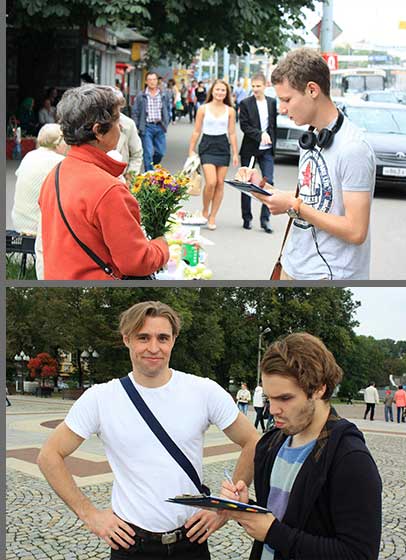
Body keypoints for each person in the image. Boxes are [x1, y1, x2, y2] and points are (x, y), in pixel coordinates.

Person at [36, 301, 261, 559]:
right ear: (127, 339)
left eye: (162, 338)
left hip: (191, 542)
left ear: (174, 340)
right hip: (131, 545)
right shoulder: (101, 398)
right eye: (143, 337)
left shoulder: (204, 391)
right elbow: (49, 455)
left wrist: (225, 508)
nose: (154, 348)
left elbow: (253, 441)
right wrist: (90, 515)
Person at [217, 333, 382, 559]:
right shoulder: (270, 443)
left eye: (284, 398)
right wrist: (247, 508)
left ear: (319, 389)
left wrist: (273, 533)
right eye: (269, 398)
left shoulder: (350, 458)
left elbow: (359, 554)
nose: (272, 410)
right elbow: (282, 518)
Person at [259, 48, 376, 280]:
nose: (282, 109)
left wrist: (294, 206)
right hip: (293, 265)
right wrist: (262, 188)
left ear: (312, 89)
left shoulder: (353, 148)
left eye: (287, 99)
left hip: (329, 276)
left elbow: (355, 231)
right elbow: (312, 202)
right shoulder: (310, 137)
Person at [39, 85, 171, 279]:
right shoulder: (109, 189)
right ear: (98, 131)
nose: (121, 126)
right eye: (117, 119)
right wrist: (162, 246)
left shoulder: (55, 174)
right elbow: (137, 262)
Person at [187, 79, 238, 230]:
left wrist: (235, 153)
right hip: (207, 145)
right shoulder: (203, 109)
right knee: (211, 182)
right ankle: (205, 209)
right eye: (217, 90)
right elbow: (196, 130)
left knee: (220, 183)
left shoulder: (230, 111)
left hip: (223, 146)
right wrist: (191, 149)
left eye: (223, 90)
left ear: (227, 93)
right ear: (212, 91)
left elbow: (232, 133)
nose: (220, 93)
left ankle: (213, 216)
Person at [236, 74, 278, 233]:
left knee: (269, 182)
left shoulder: (272, 102)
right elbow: (244, 126)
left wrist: (274, 144)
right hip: (250, 149)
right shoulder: (245, 103)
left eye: (258, 86)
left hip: (267, 150)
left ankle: (265, 220)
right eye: (253, 86)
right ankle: (247, 218)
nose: (255, 89)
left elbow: (273, 125)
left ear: (265, 86)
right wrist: (260, 134)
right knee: (246, 183)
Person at [12, 124, 67, 236]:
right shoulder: (60, 162)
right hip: (40, 228)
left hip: (19, 223)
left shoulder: (29, 156)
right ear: (58, 143)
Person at [134, 72, 174, 171]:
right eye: (150, 80)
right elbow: (135, 111)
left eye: (154, 79)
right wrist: (137, 126)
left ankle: (151, 164)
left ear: (157, 81)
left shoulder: (163, 94)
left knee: (160, 152)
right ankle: (149, 175)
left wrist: (166, 121)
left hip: (160, 126)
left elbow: (168, 109)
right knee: (148, 152)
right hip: (147, 126)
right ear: (146, 82)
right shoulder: (141, 95)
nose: (152, 82)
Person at [111, 90, 145, 177]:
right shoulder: (94, 124)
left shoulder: (128, 124)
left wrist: (130, 176)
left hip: (120, 179)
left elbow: (136, 154)